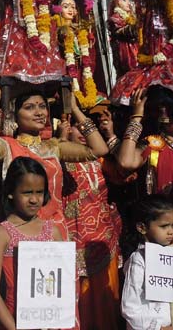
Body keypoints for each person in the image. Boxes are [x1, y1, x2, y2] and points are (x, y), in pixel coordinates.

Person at [0, 73, 109, 238]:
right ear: (15, 115)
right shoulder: (8, 147)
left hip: (55, 232)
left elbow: (99, 150)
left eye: (42, 106)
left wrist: (74, 109)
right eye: (29, 107)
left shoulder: (53, 147)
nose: (39, 112)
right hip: (20, 233)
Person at [0, 157, 62, 330]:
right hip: (13, 319)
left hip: (49, 322)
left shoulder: (53, 232)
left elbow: (62, 285)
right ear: (11, 192)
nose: (34, 199)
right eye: (27, 193)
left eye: (39, 192)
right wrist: (13, 327)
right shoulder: (3, 233)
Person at [61, 119, 123, 330]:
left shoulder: (100, 160)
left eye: (87, 127)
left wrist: (111, 133)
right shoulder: (59, 157)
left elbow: (125, 170)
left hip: (101, 241)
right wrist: (60, 138)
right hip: (71, 241)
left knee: (104, 304)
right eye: (77, 127)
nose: (83, 132)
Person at [121, 194, 173, 330]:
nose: (170, 231)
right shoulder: (139, 260)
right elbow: (129, 307)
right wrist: (158, 328)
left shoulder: (172, 257)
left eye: (172, 225)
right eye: (164, 226)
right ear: (142, 227)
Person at [53, 0, 99, 109]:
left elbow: (87, 51)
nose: (70, 9)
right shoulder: (57, 26)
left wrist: (90, 40)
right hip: (65, 65)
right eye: (66, 6)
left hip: (79, 65)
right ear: (59, 9)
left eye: (73, 7)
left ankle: (85, 97)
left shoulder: (79, 30)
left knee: (83, 78)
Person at [108, 0, 139, 77]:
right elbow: (121, 32)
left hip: (137, 49)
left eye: (128, 0)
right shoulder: (115, 18)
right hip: (125, 52)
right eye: (124, 0)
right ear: (117, 4)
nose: (128, 3)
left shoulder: (132, 17)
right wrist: (135, 26)